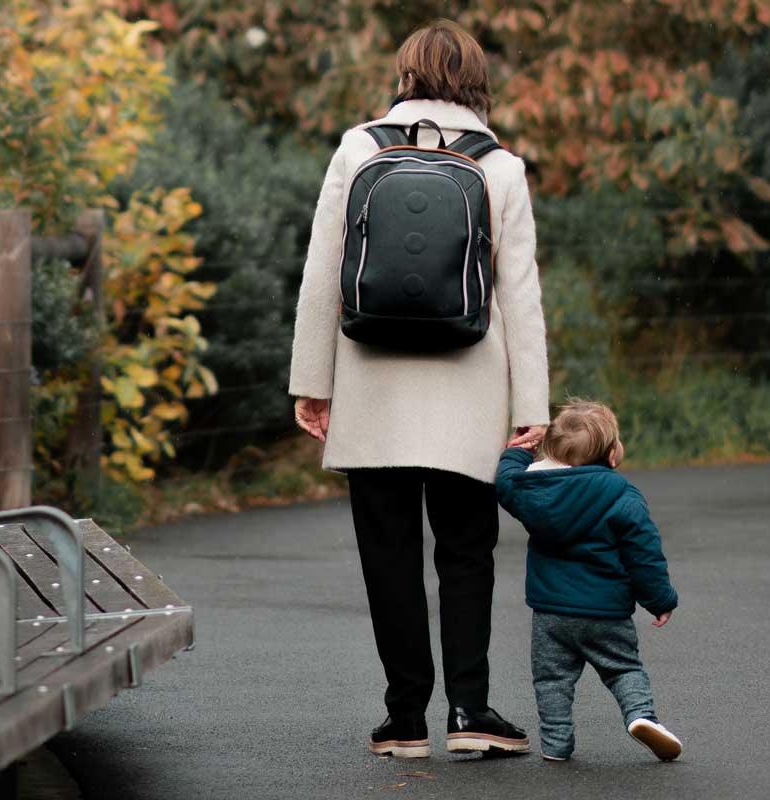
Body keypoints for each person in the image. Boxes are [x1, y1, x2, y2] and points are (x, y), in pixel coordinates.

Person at [288, 19, 550, 758]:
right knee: (467, 552)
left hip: (370, 382)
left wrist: (313, 382)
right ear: (476, 80)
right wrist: (530, 406)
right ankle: (470, 714)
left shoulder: (357, 148)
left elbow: (321, 273)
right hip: (471, 388)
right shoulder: (502, 167)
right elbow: (519, 295)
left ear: (405, 75)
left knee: (388, 553)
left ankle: (404, 720)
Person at [494, 400, 683, 763]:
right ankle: (641, 716)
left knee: (551, 681)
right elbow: (643, 554)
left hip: (550, 614)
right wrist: (660, 599)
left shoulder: (534, 491)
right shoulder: (621, 494)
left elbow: (506, 483)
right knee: (623, 669)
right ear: (611, 455)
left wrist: (515, 453)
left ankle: (556, 744)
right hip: (606, 612)